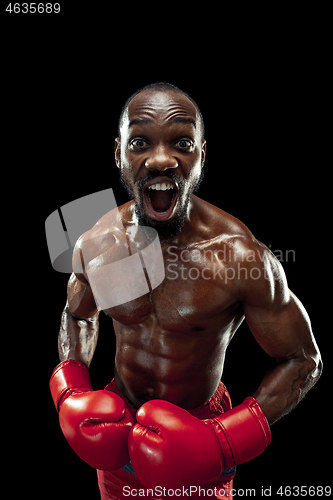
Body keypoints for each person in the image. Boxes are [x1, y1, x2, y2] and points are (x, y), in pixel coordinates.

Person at [50, 83, 322, 500]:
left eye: (181, 142)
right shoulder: (95, 243)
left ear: (201, 155)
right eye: (141, 142)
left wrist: (223, 441)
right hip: (115, 433)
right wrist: (70, 389)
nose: (161, 159)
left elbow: (304, 359)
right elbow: (77, 315)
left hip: (202, 434)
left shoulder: (240, 256)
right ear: (119, 153)